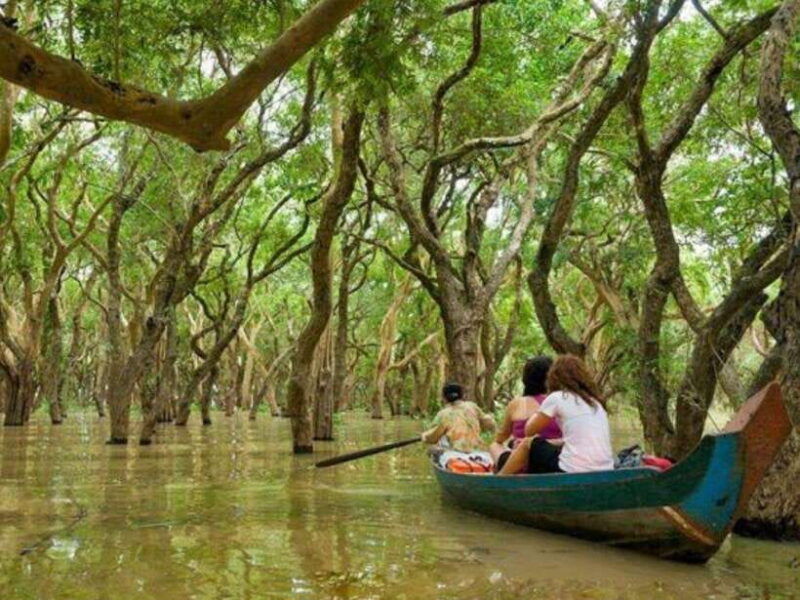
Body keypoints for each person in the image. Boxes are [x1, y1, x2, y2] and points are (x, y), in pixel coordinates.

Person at [498, 355, 613, 475]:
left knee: (528, 442)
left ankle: (500, 479)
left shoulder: (557, 397)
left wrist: (536, 411)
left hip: (571, 469)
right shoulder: (595, 402)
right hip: (606, 468)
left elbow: (529, 430)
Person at [489, 356, 562, 470]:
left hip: (519, 465)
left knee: (494, 446)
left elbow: (500, 438)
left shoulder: (516, 404)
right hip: (550, 461)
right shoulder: (560, 402)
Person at [421, 382, 496, 452]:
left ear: (444, 398)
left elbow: (433, 437)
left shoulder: (443, 414)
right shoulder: (472, 406)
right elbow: (489, 423)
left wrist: (425, 436)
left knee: (433, 449)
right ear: (462, 395)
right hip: (476, 451)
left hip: (455, 453)